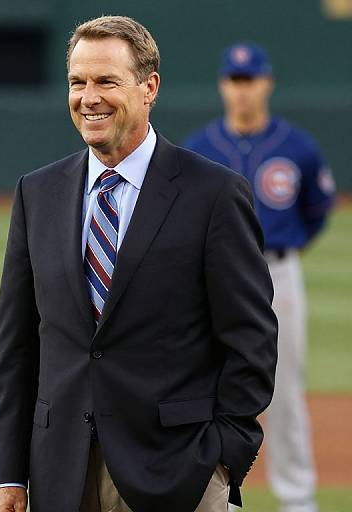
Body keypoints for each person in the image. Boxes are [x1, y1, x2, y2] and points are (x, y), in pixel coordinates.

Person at [0, 17, 278, 512]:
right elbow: (16, 349)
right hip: (60, 474)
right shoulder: (37, 193)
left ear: (149, 88)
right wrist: (7, 478)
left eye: (106, 81)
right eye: (77, 82)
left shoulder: (214, 194)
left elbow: (251, 342)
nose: (88, 97)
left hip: (179, 475)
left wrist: (222, 460)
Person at [182, 43, 336, 512]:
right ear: (223, 86)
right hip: (215, 278)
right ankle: (216, 494)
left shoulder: (299, 148)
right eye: (235, 80)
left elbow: (317, 210)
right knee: (210, 387)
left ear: (267, 83)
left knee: (285, 390)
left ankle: (297, 499)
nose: (242, 90)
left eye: (250, 80)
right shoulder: (199, 149)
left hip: (278, 271)